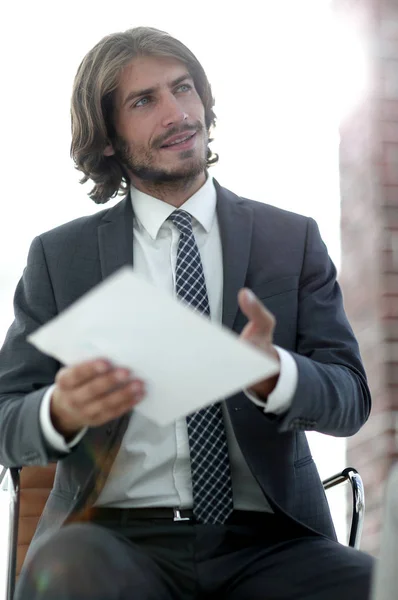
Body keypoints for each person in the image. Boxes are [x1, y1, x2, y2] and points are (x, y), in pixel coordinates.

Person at [0, 26, 373, 600]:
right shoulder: (60, 258)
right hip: (112, 542)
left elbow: (350, 399)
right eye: (145, 100)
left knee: (373, 583)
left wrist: (277, 372)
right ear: (107, 138)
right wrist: (59, 409)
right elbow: (5, 419)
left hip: (272, 542)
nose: (178, 112)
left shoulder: (290, 239)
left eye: (184, 89)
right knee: (71, 572)